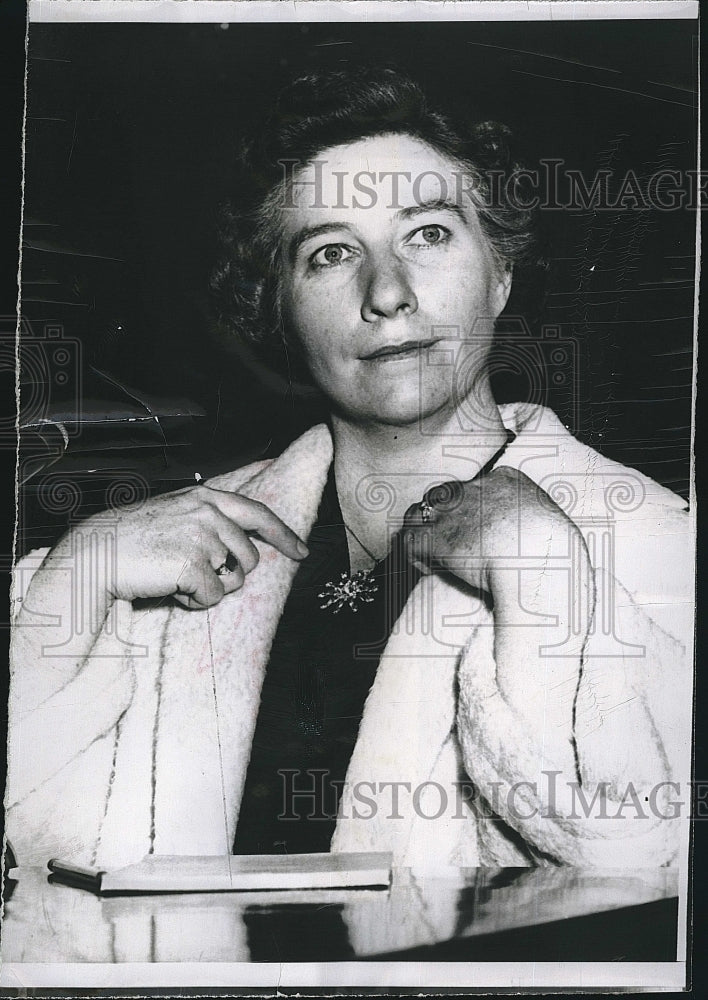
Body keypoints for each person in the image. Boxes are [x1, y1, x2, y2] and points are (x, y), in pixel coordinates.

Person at [7, 67, 693, 871]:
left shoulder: (657, 541)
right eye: (331, 254)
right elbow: (34, 860)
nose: (388, 293)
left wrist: (542, 570)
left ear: (501, 274)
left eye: (429, 233)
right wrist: (75, 580)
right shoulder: (166, 554)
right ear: (279, 312)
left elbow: (651, 869)